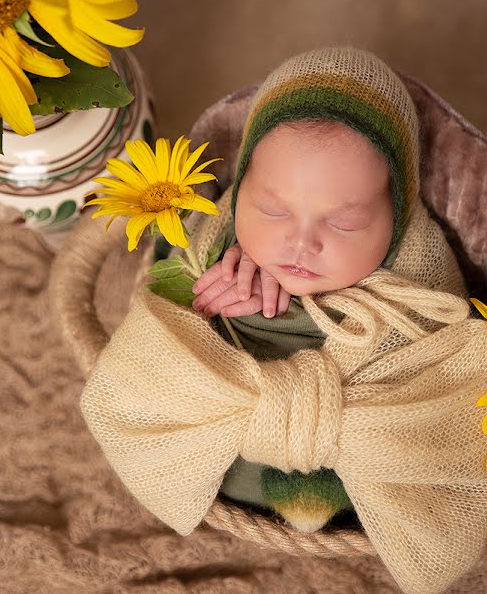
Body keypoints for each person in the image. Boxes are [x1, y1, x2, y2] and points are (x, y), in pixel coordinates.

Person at [183, 47, 470, 532]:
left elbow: (446, 364)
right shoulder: (219, 238)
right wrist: (224, 303)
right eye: (273, 211)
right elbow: (172, 330)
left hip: (363, 456)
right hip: (233, 441)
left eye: (346, 222)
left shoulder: (419, 273)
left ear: (398, 218)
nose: (301, 242)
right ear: (239, 190)